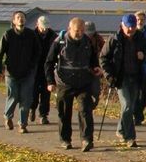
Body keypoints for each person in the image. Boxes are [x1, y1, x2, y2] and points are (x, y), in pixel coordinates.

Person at [44, 17, 103, 152]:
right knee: (64, 113)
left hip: (84, 82)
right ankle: (65, 140)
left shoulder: (87, 41)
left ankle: (87, 139)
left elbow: (93, 58)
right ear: (70, 29)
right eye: (77, 31)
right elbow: (49, 62)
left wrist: (96, 67)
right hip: (65, 82)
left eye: (83, 30)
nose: (80, 33)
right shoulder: (60, 42)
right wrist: (50, 82)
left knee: (85, 110)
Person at [101, 13, 146, 148]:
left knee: (130, 107)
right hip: (120, 78)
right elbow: (103, 58)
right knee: (127, 105)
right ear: (122, 25)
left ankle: (120, 130)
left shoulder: (140, 38)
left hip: (136, 77)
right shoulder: (114, 39)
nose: (130, 30)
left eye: (133, 27)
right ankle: (130, 137)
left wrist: (143, 56)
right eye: (128, 27)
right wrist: (109, 75)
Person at [0, 10, 41, 134]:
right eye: (18, 17)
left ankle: (23, 124)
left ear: (25, 20)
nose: (20, 19)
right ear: (14, 21)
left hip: (27, 73)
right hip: (11, 73)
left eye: (23, 17)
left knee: (26, 99)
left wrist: (32, 66)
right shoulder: (8, 35)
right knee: (13, 96)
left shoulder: (31, 35)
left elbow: (38, 52)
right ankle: (8, 116)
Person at [30, 15, 57, 124]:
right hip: (35, 68)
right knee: (34, 92)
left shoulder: (53, 36)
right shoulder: (31, 35)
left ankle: (43, 115)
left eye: (46, 27)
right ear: (38, 25)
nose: (44, 29)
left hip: (48, 67)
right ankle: (32, 108)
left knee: (46, 93)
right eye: (42, 27)